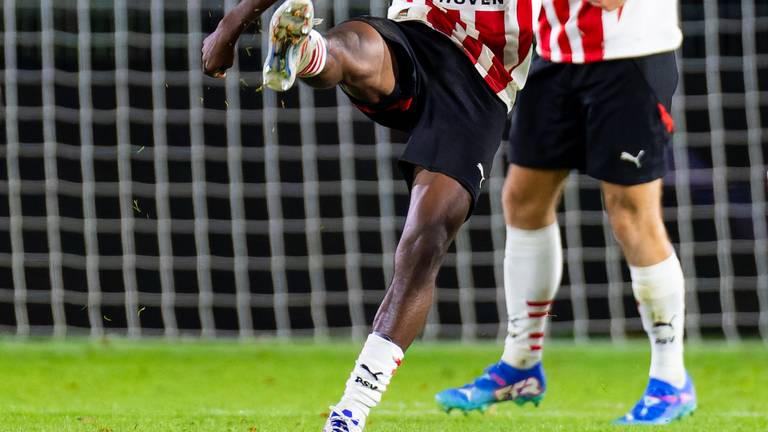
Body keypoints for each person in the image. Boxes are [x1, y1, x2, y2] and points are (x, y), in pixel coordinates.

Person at [202, 0, 540, 430]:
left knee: (427, 237)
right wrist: (230, 25)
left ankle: (350, 410)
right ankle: (304, 50)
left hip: (481, 84)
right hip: (415, 36)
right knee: (356, 49)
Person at [435, 0, 697, 425]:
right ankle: (520, 365)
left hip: (629, 57)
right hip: (557, 56)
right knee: (523, 199)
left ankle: (670, 379)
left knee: (631, 212)